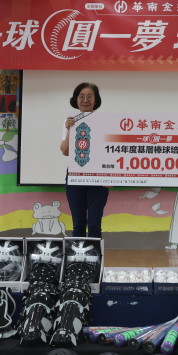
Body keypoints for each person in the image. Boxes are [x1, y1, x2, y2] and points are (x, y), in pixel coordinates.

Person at [60, 82, 108, 238]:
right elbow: (65, 151)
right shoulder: (69, 121)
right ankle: (78, 254)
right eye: (81, 96)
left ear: (95, 100)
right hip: (75, 177)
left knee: (94, 224)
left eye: (89, 96)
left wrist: (110, 176)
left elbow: (109, 151)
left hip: (99, 177)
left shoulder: (104, 121)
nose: (85, 100)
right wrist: (69, 129)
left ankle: (93, 254)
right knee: (78, 224)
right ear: (76, 100)